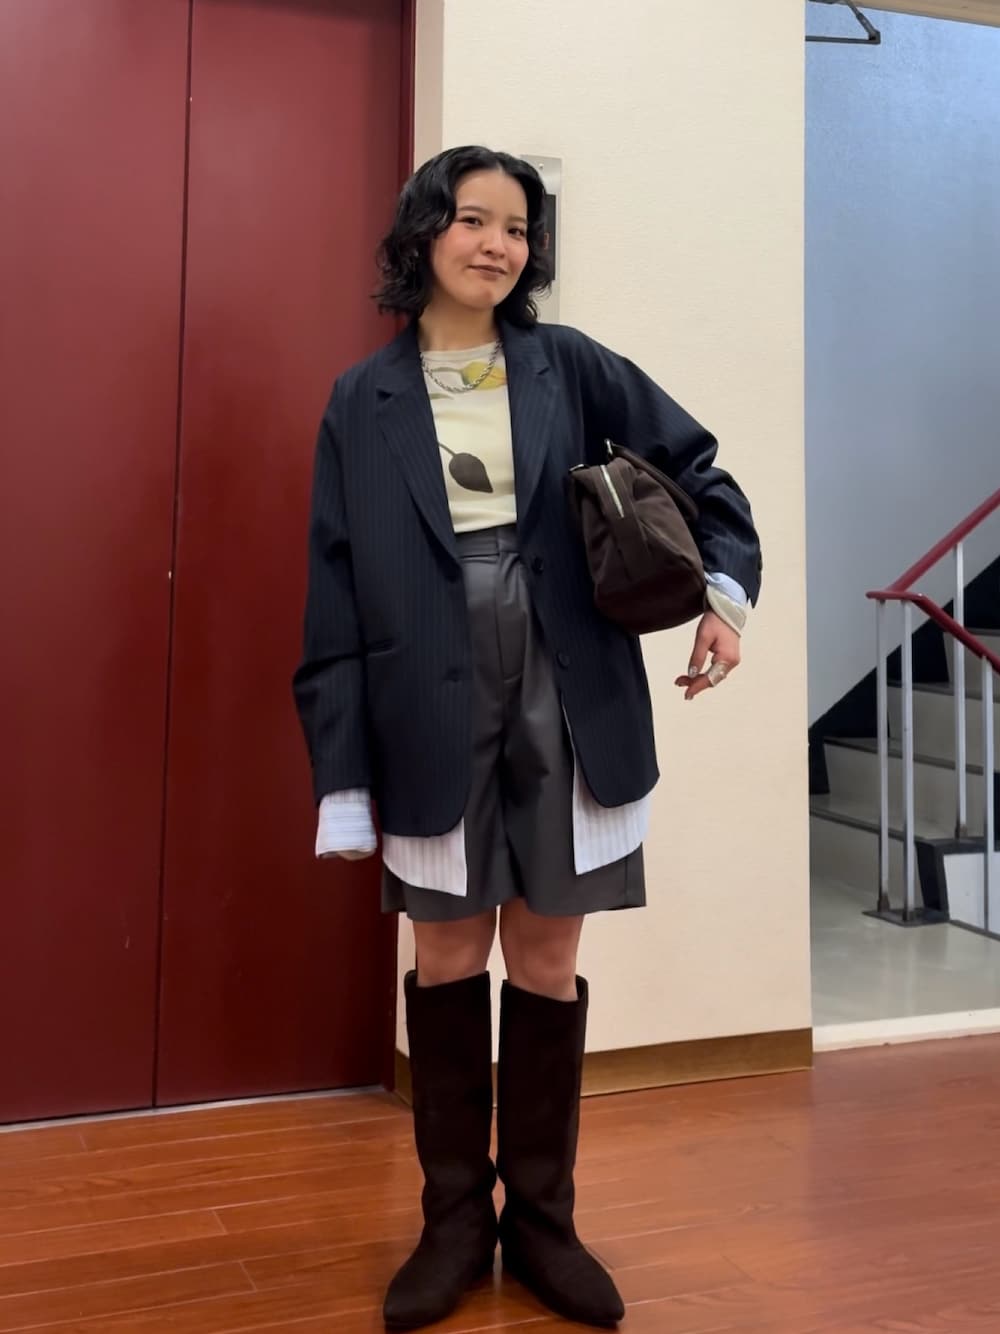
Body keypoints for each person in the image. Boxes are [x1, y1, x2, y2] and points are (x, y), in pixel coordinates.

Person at [293, 145, 761, 1331]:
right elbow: (334, 588)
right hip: (422, 690)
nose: (496, 243)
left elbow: (699, 468)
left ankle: (543, 1220)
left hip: (569, 676)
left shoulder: (570, 364)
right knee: (448, 954)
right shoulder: (361, 399)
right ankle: (453, 1220)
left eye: (516, 226)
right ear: (422, 234)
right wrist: (340, 769)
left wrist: (722, 594)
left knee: (545, 955)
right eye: (472, 219)